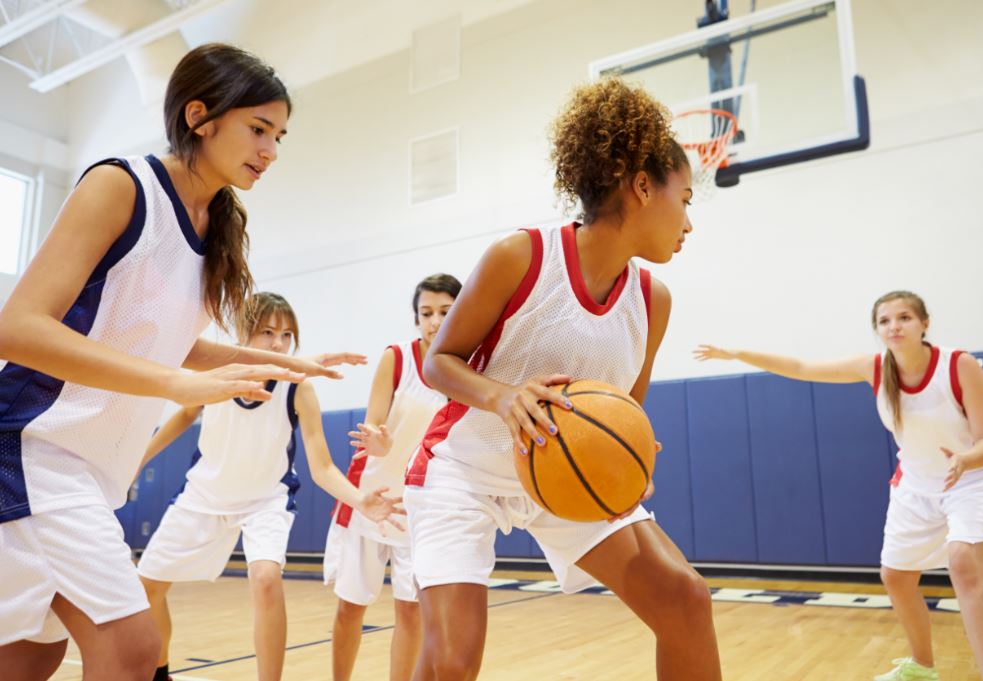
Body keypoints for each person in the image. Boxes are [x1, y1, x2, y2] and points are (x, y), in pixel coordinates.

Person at [0, 43, 352, 680]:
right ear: (200, 116)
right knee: (131, 650)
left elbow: (163, 341)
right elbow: (17, 329)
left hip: (83, 467)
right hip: (33, 447)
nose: (271, 150)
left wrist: (279, 363)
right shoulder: (120, 184)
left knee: (30, 656)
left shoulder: (213, 225)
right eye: (259, 129)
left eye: (279, 136)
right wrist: (174, 381)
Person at [403, 78, 721, 681]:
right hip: (465, 469)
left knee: (686, 600)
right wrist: (503, 396)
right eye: (685, 199)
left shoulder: (653, 301)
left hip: (561, 472)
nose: (688, 223)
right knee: (451, 660)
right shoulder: (521, 257)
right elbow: (437, 362)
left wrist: (629, 456)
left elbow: (623, 408)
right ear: (643, 186)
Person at [695, 289, 983, 681]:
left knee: (964, 564)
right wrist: (738, 354)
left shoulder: (959, 365)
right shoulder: (876, 369)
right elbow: (801, 365)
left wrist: (966, 459)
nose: (894, 326)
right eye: (885, 321)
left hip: (975, 479)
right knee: (896, 577)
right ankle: (922, 668)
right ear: (877, 329)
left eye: (904, 318)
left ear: (924, 324)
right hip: (916, 486)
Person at [138, 292, 402, 681]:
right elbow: (182, 416)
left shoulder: (299, 389)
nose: (278, 343)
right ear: (244, 334)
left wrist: (361, 500)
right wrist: (138, 460)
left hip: (265, 500)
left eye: (286, 335)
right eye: (267, 332)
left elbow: (323, 467)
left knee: (265, 577)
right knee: (146, 588)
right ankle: (160, 673)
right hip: (204, 495)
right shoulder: (219, 373)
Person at [325, 273, 462, 681]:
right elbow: (373, 428)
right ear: (416, 317)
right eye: (426, 313)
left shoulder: (466, 368)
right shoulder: (397, 358)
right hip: (372, 497)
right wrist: (378, 443)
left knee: (410, 609)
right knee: (351, 605)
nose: (434, 321)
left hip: (420, 507)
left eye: (444, 312)